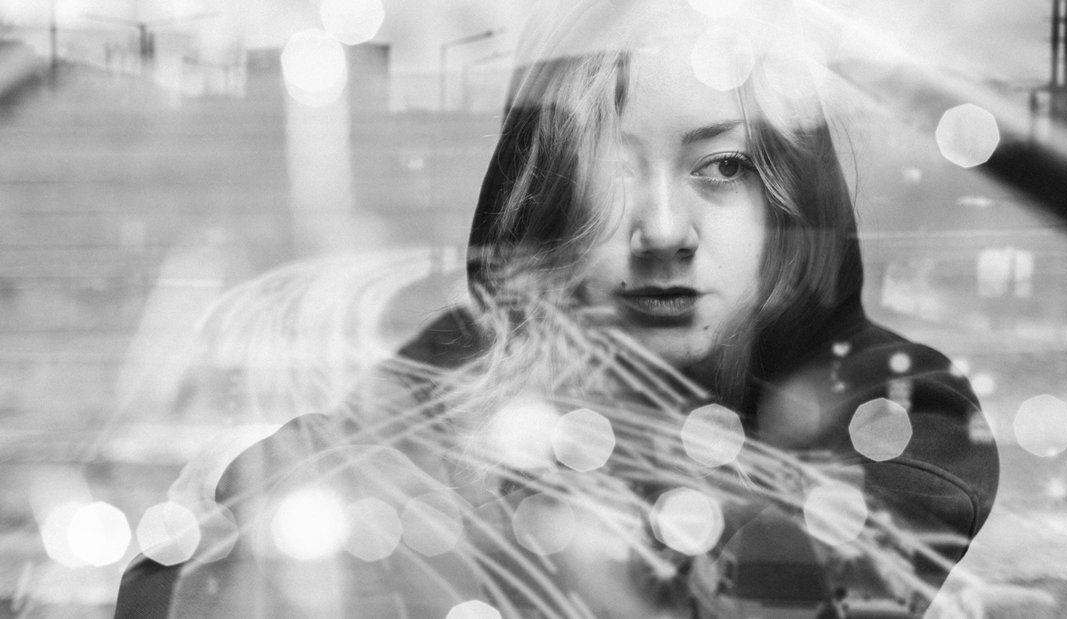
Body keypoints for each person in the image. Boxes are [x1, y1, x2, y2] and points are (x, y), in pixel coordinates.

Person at [115, 1, 998, 617]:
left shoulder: (902, 405)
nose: (662, 229)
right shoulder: (471, 360)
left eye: (722, 166)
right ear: (546, 195)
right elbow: (185, 578)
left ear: (790, 195)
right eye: (608, 171)